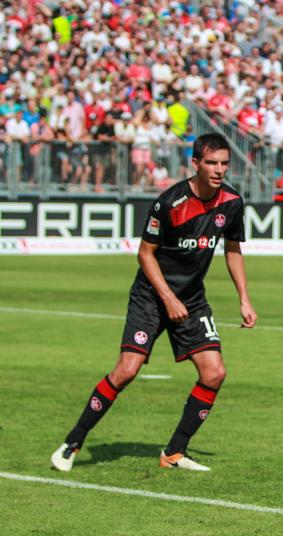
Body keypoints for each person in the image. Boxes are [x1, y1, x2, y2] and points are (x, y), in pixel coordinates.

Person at [51, 133, 257, 472]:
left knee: (214, 373)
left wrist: (244, 299)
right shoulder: (170, 203)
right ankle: (72, 443)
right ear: (195, 163)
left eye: (224, 163)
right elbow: (145, 254)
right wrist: (167, 297)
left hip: (191, 299)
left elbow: (233, 249)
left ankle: (174, 453)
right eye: (211, 163)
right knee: (126, 371)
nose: (219, 170)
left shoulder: (232, 201)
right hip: (151, 296)